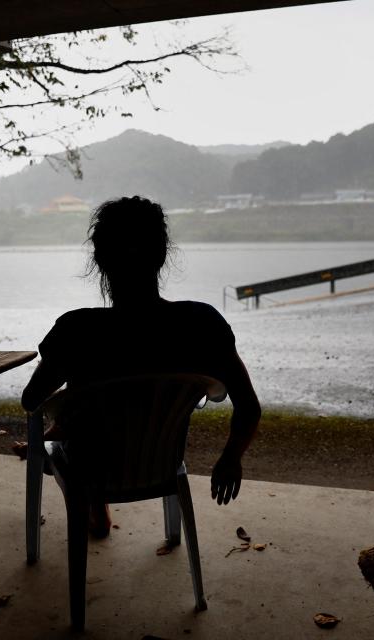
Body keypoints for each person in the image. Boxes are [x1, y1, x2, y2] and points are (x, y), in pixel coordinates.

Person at [21, 196, 261, 536]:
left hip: (92, 466)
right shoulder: (202, 323)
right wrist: (230, 458)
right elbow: (248, 406)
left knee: (66, 432)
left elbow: (31, 400)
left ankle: (92, 504)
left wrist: (72, 386)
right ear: (162, 255)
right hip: (161, 465)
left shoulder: (75, 330)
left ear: (100, 259)